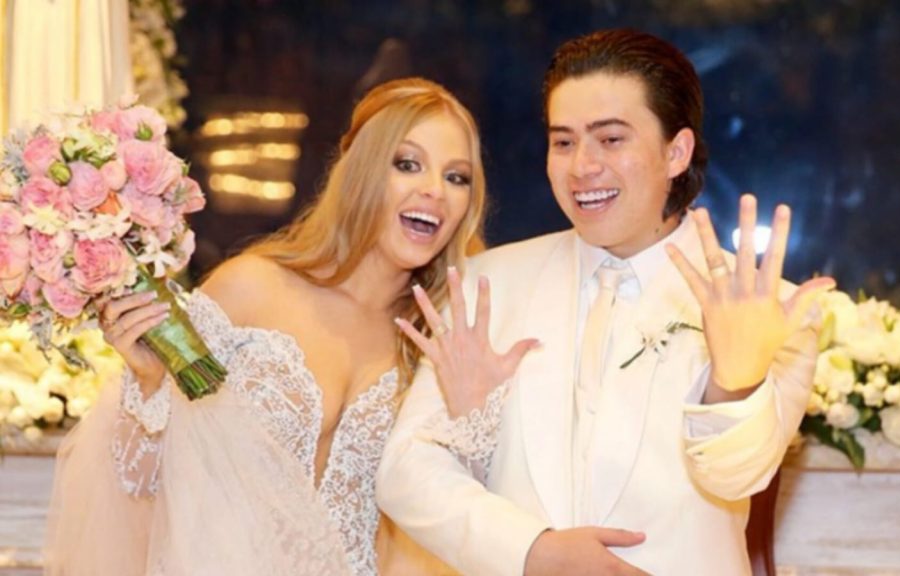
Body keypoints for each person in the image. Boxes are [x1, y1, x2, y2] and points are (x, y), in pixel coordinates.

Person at [377, 29, 835, 576]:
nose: (582, 167)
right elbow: (407, 469)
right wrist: (532, 550)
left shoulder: (771, 309)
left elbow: (739, 476)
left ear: (676, 152)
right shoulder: (486, 282)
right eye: (563, 142)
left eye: (611, 139)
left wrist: (736, 380)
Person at [45, 77, 484, 576]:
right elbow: (139, 484)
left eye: (457, 177)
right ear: (359, 169)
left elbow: (460, 519)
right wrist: (149, 385)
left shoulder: (442, 342)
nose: (435, 190)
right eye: (407, 164)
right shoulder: (251, 289)